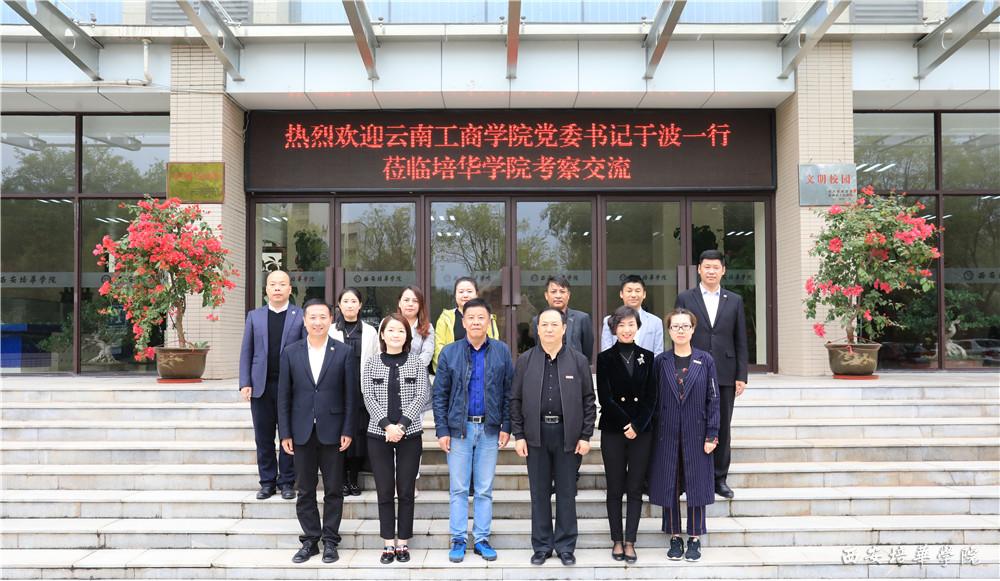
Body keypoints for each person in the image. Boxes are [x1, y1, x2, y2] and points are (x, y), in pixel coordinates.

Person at [511, 307, 597, 567]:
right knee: (539, 494)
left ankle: (566, 546)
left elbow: (589, 401)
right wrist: (519, 435)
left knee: (566, 493)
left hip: (567, 435)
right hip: (535, 435)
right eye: (544, 324)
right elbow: (515, 400)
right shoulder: (525, 360)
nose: (549, 329)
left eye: (554, 324)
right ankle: (542, 546)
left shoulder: (578, 361)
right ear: (537, 329)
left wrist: (586, 435)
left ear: (564, 328)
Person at [432, 298, 513, 564]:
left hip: (490, 428)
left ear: (489, 321)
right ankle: (458, 538)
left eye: (481, 317)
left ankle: (481, 539)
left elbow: (509, 392)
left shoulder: (501, 351)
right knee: (458, 488)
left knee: (484, 488)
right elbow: (440, 395)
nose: (476, 322)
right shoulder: (450, 352)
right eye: (471, 317)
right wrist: (442, 429)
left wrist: (507, 425)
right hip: (459, 429)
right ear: (463, 322)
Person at [277, 299, 356, 564]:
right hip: (301, 432)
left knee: (333, 489)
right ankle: (310, 540)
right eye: (312, 317)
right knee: (305, 490)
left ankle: (330, 541)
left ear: (330, 320)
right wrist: (285, 433)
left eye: (323, 317)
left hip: (333, 432)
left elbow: (351, 396)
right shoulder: (291, 352)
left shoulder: (343, 352)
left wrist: (348, 429)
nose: (318, 322)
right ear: (304, 320)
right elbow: (283, 397)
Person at [674, 249, 748, 499]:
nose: (711, 271)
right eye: (707, 267)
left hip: (725, 372)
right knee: (690, 424)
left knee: (722, 426)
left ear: (723, 270)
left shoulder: (734, 300)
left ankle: (719, 478)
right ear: (699, 269)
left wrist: (741, 375)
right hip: (692, 369)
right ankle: (688, 477)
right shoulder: (686, 297)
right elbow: (678, 333)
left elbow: (740, 339)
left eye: (716, 267)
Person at [648, 308, 720, 563]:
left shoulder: (705, 360)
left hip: (697, 433)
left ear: (692, 329)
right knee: (669, 484)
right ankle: (675, 537)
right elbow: (653, 400)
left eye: (685, 326)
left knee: (697, 485)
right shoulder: (661, 361)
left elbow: (714, 399)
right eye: (675, 326)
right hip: (666, 434)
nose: (680, 330)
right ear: (669, 331)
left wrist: (712, 434)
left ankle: (695, 538)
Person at [361, 313, 429, 565]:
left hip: (410, 434)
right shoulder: (371, 363)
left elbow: (421, 395)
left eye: (401, 331)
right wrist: (387, 426)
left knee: (406, 490)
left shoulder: (416, 363)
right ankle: (388, 542)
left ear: (407, 336)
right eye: (391, 330)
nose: (396, 335)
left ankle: (403, 543)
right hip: (378, 434)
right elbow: (368, 395)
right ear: (382, 334)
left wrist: (400, 426)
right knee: (385, 489)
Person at [595, 306, 657, 563]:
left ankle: (630, 540)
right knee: (614, 487)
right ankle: (617, 540)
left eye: (631, 324)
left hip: (642, 432)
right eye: (621, 325)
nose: (627, 329)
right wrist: (626, 424)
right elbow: (605, 397)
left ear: (637, 327)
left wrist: (637, 425)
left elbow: (652, 397)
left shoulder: (648, 357)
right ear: (614, 328)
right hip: (613, 429)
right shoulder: (604, 358)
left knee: (635, 487)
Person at [238, 270, 305, 501]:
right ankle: (267, 482)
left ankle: (287, 482)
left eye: (282, 284)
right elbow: (246, 351)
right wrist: (245, 382)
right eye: (273, 284)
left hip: (291, 387)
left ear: (289, 289)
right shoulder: (254, 316)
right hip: (262, 386)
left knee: (289, 435)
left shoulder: (300, 315)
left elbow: (305, 350)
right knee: (263, 437)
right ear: (266, 289)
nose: (277, 288)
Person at [329, 287, 380, 497]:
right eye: (346, 301)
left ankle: (353, 479)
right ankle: (341, 479)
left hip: (361, 390)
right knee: (338, 433)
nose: (349, 305)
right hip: (336, 391)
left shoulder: (370, 331)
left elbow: (376, 359)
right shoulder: (331, 330)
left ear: (360, 305)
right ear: (339, 305)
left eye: (353, 301)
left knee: (358, 435)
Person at [396, 285, 435, 497]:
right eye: (406, 299)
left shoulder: (427, 328)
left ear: (420, 305)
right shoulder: (389, 323)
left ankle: (411, 481)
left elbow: (427, 355)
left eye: (415, 301)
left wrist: (406, 370)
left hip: (417, 388)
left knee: (412, 438)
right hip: (391, 387)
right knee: (393, 435)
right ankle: (396, 481)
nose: (410, 304)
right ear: (399, 303)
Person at [432, 276, 499, 371]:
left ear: (476, 294)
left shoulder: (488, 318)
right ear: (455, 295)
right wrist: (450, 369)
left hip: (481, 372)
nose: (465, 295)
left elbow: (494, 346)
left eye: (469, 291)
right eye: (461, 292)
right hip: (452, 371)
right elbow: (439, 347)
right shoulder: (445, 318)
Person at [530, 275, 595, 363]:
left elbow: (587, 352)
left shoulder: (582, 318)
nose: (558, 296)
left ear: (568, 295)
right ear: (546, 295)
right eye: (553, 292)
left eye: (562, 291)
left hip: (574, 367)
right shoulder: (537, 320)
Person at [600, 275, 665, 355]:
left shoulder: (655, 322)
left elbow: (658, 354)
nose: (633, 295)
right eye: (629, 291)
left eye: (637, 291)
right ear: (621, 294)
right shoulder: (609, 320)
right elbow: (606, 352)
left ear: (644, 294)